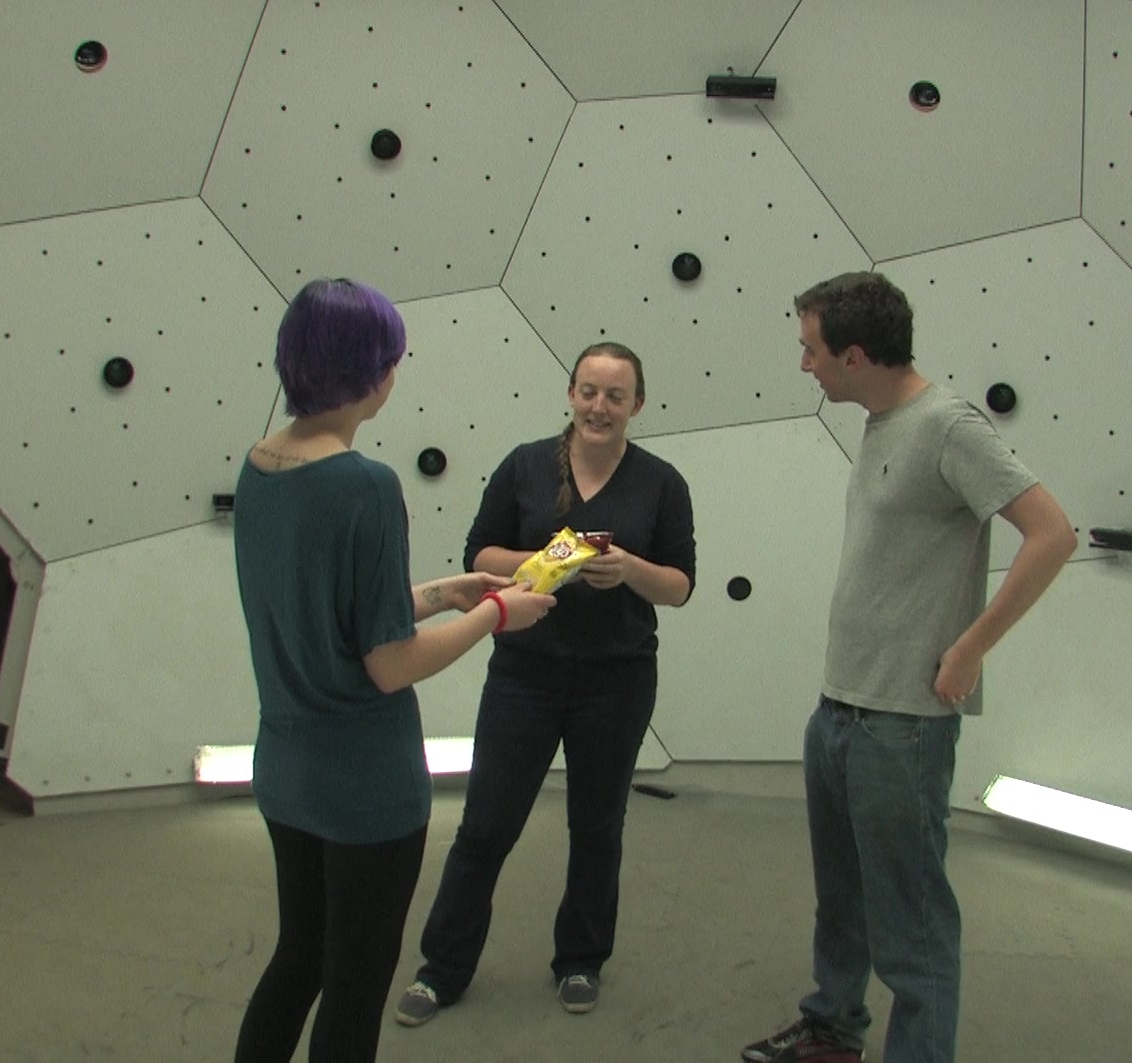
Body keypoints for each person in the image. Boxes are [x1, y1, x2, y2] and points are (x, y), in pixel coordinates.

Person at [743, 272, 1076, 1063]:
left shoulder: (948, 427)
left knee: (913, 927)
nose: (805, 365)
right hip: (839, 707)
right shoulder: (882, 422)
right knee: (843, 902)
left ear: (855, 355)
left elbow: (1053, 534)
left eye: (811, 350)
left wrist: (971, 647)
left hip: (903, 725)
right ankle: (832, 1030)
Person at [230, 277, 555, 1063]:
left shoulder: (261, 465)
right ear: (373, 371)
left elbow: (328, 615)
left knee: (298, 958)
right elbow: (388, 664)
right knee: (354, 988)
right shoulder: (364, 484)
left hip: (287, 770)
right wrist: (496, 615)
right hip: (365, 788)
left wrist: (445, 593)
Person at [395, 341, 697, 1026]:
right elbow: (478, 553)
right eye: (589, 391)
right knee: (485, 827)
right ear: (570, 394)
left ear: (637, 405)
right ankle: (441, 970)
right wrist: (550, 558)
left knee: (597, 828)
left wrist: (628, 570)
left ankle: (580, 961)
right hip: (524, 675)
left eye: (615, 395)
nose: (599, 406)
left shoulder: (662, 483)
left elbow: (679, 586)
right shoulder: (525, 466)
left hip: (617, 681)